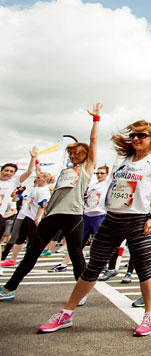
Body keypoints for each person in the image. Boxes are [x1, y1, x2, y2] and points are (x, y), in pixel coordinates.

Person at [38, 119, 151, 336]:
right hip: (111, 220)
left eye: (142, 135)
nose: (136, 139)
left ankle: (149, 315)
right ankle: (66, 313)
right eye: (133, 135)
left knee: (144, 268)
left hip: (138, 221)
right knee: (93, 267)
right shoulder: (125, 160)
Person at [0, 105, 102, 302]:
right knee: (32, 252)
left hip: (73, 215)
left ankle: (81, 294)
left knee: (75, 254)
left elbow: (94, 141)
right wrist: (35, 160)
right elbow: (42, 180)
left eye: (77, 154)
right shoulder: (65, 172)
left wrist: (96, 119)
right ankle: (9, 288)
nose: (73, 156)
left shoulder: (87, 168)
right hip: (53, 215)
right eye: (71, 154)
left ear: (85, 156)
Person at [0, 150, 38, 268]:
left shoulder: (13, 182)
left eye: (11, 171)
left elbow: (29, 172)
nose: (8, 173)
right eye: (6, 170)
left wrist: (33, 158)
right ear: (1, 170)